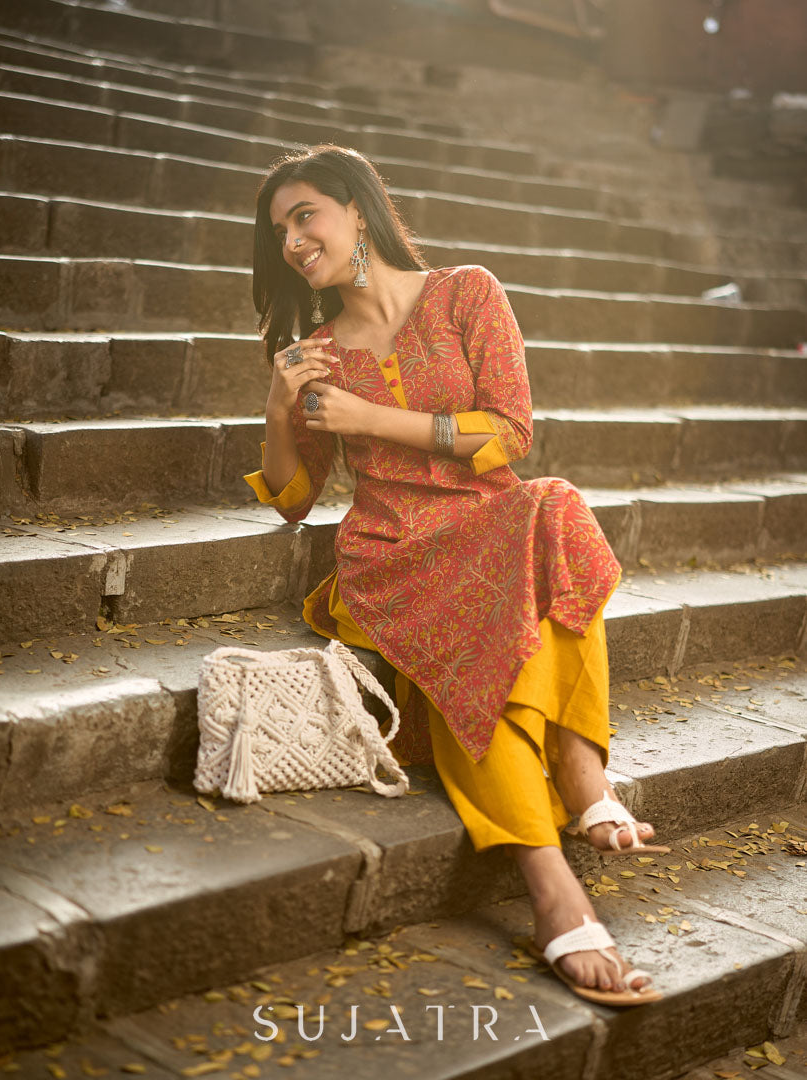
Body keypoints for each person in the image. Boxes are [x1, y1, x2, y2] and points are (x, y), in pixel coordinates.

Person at [243, 143, 669, 1007]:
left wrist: (372, 416)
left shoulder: (466, 292)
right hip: (393, 558)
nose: (291, 240)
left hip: (493, 524)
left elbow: (510, 434)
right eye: (278, 230)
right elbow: (293, 501)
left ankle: (579, 768)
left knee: (552, 505)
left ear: (358, 209)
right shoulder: (318, 352)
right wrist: (283, 406)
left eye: (304, 215)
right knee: (475, 638)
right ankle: (555, 889)